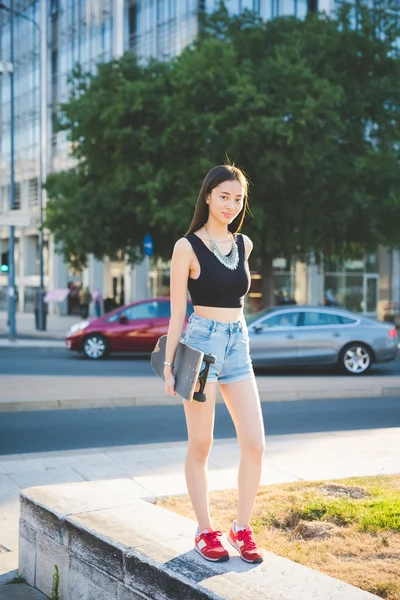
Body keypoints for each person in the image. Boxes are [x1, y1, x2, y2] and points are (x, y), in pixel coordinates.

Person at [164, 165, 265, 564]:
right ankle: (205, 530)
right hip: (201, 345)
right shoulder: (186, 247)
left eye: (238, 198)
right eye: (224, 196)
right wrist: (170, 366)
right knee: (201, 445)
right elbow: (176, 316)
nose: (231, 205)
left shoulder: (245, 244)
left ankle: (242, 526)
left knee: (255, 444)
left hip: (237, 343)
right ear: (208, 195)